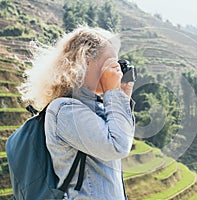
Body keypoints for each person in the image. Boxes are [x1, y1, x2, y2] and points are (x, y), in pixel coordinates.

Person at [18, 26, 135, 199]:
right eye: (110, 62)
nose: (116, 70)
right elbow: (118, 146)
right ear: (86, 60)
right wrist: (113, 94)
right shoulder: (64, 110)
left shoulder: (96, 108)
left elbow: (121, 139)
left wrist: (122, 96)